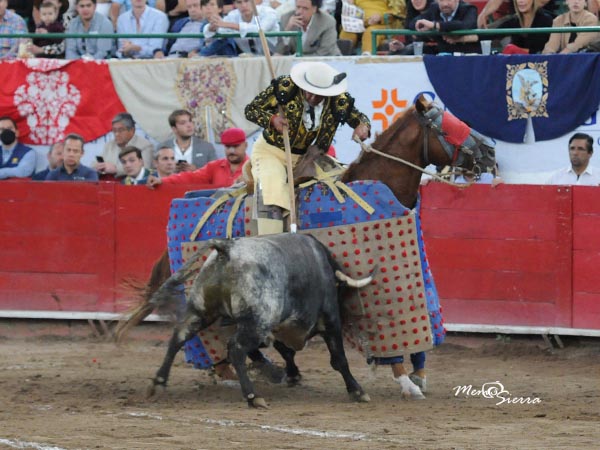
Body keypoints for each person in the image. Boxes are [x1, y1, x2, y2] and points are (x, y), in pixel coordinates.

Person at [244, 61, 370, 234]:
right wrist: (272, 120)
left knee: (342, 180)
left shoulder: (339, 100)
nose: (311, 98)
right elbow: (251, 110)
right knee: (271, 191)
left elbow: (359, 118)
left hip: (308, 157)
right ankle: (269, 241)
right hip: (271, 152)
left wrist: (363, 127)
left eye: (318, 95)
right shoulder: (285, 88)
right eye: (309, 92)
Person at [147, 127, 248, 188]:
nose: (231, 151)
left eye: (235, 146)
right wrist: (163, 181)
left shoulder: (255, 168)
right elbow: (189, 177)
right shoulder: (214, 167)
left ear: (246, 145)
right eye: (227, 146)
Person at [201, 0, 279, 56]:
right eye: (239, 2)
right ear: (235, 4)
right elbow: (218, 29)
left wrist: (229, 25)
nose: (243, 5)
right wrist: (212, 27)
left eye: (246, 1)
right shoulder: (232, 15)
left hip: (275, 57)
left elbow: (261, 29)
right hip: (248, 60)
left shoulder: (268, 12)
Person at [96, 112, 155, 179]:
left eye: (120, 130)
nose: (116, 134)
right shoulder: (109, 145)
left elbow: (144, 169)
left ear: (132, 130)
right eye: (114, 130)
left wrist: (116, 169)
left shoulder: (145, 146)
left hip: (134, 185)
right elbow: (94, 165)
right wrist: (99, 167)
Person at [408, 0, 479, 55]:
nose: (445, 4)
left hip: (466, 56)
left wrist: (435, 26)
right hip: (441, 55)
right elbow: (413, 23)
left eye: (449, 0)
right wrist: (432, 31)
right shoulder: (434, 8)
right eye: (442, 0)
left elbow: (465, 25)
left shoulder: (469, 9)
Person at [159, 109, 217, 174]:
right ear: (174, 129)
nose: (189, 125)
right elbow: (155, 172)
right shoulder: (162, 148)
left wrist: (196, 170)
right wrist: (169, 170)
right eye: (183, 123)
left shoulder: (207, 147)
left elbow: (215, 172)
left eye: (190, 121)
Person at [276, 0, 341, 56]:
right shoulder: (286, 18)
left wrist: (298, 60)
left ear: (314, 9)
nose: (299, 12)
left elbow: (324, 52)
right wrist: (287, 31)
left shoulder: (327, 22)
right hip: (297, 66)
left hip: (327, 63)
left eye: (305, 8)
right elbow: (279, 51)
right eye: (298, 7)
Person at [339, 0, 405, 55]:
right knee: (346, 31)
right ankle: (339, 60)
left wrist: (381, 16)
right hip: (358, 22)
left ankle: (366, 58)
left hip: (382, 24)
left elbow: (399, 11)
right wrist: (349, 5)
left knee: (371, 32)